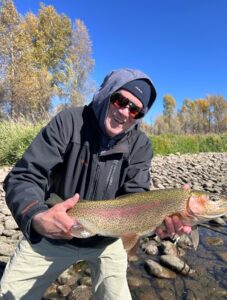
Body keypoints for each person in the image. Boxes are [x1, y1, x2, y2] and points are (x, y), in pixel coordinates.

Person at [0, 68, 191, 300]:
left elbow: (136, 195)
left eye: (135, 110)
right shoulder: (68, 122)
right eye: (120, 100)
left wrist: (158, 217)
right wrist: (37, 217)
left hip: (108, 241)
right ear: (107, 94)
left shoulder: (141, 145)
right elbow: (23, 176)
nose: (124, 112)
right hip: (54, 232)